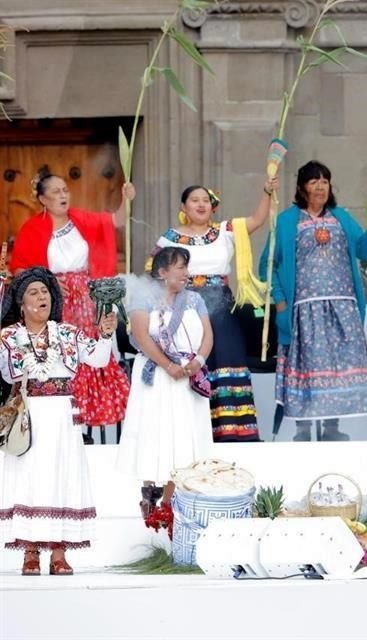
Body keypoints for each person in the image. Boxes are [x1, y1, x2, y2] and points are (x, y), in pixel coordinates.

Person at [0, 268, 118, 575]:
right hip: (29, 417)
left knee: (62, 477)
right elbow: (8, 375)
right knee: (29, 478)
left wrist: (105, 333)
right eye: (34, 293)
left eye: (45, 292)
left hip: (63, 416)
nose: (42, 298)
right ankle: (29, 551)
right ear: (21, 304)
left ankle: (59, 553)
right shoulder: (8, 337)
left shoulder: (68, 333)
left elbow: (99, 358)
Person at [150, 176, 277, 442]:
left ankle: (233, 431)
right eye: (194, 200)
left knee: (227, 359)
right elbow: (156, 273)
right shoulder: (170, 238)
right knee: (191, 359)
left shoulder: (225, 231)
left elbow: (257, 219)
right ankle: (193, 432)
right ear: (183, 207)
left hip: (221, 304)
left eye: (205, 200)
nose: (201, 204)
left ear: (213, 206)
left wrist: (267, 191)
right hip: (184, 307)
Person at [10, 169, 135, 434]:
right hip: (55, 301)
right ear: (43, 199)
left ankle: (94, 418)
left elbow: (116, 220)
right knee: (63, 355)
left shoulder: (80, 220)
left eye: (65, 190)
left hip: (87, 298)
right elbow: (20, 269)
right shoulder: (32, 229)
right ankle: (65, 415)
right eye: (55, 192)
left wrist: (126, 199)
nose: (62, 195)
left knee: (93, 350)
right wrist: (48, 281)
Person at [260, 161, 367, 442]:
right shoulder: (287, 220)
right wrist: (281, 301)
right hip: (304, 308)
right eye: (314, 181)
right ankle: (303, 427)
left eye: (325, 180)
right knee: (307, 365)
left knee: (335, 366)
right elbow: (268, 264)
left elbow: (366, 251)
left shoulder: (342, 217)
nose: (320, 186)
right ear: (301, 187)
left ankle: (332, 427)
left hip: (342, 306)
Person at [117, 247, 214, 519]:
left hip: (187, 377)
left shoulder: (195, 299)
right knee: (155, 432)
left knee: (184, 435)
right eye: (180, 267)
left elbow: (208, 335)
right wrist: (168, 365)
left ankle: (174, 502)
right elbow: (141, 336)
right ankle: (150, 495)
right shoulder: (143, 297)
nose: (186, 273)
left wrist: (199, 361)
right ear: (162, 272)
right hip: (157, 377)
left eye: (186, 267)